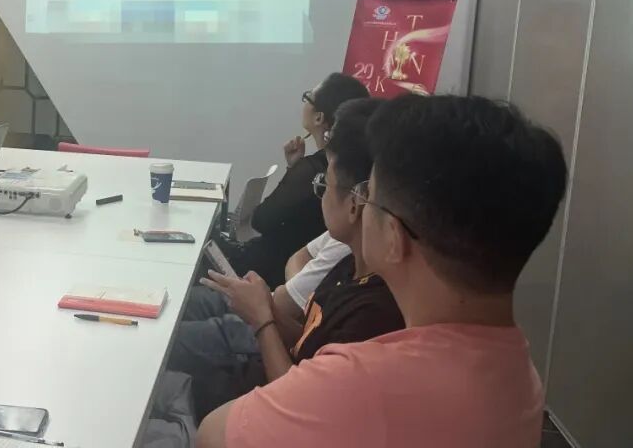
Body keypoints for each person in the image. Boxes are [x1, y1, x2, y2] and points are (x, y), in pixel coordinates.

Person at [198, 95, 568, 448]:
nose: (359, 207)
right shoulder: (520, 374)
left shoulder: (365, 381)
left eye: (369, 196)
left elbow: (213, 434)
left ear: (394, 236)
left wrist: (266, 322)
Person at [164, 98, 403, 421]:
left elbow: (298, 407)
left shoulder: (371, 311)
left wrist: (263, 319)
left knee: (162, 365)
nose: (321, 195)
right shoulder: (349, 265)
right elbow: (307, 336)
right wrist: (266, 307)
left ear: (356, 202)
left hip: (258, 398)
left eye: (324, 184)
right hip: (260, 364)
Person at [228, 72, 369, 289]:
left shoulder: (313, 171)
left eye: (308, 97)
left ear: (319, 117)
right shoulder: (349, 168)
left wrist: (297, 171)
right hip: (288, 272)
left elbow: (261, 220)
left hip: (265, 273)